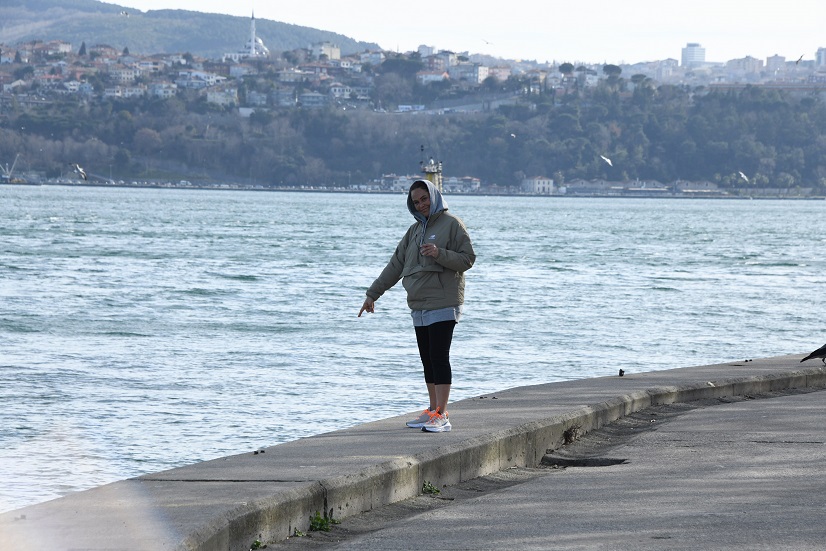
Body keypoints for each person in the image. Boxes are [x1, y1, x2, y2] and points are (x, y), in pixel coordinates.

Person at [358, 179, 475, 432]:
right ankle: (432, 409)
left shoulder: (452, 224)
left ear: (434, 196)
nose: (421, 204)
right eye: (416, 201)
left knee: (438, 357)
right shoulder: (413, 231)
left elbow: (468, 259)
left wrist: (439, 253)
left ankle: (442, 415)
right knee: (427, 360)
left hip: (444, 301)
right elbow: (395, 265)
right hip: (418, 305)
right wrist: (372, 295)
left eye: (424, 199)